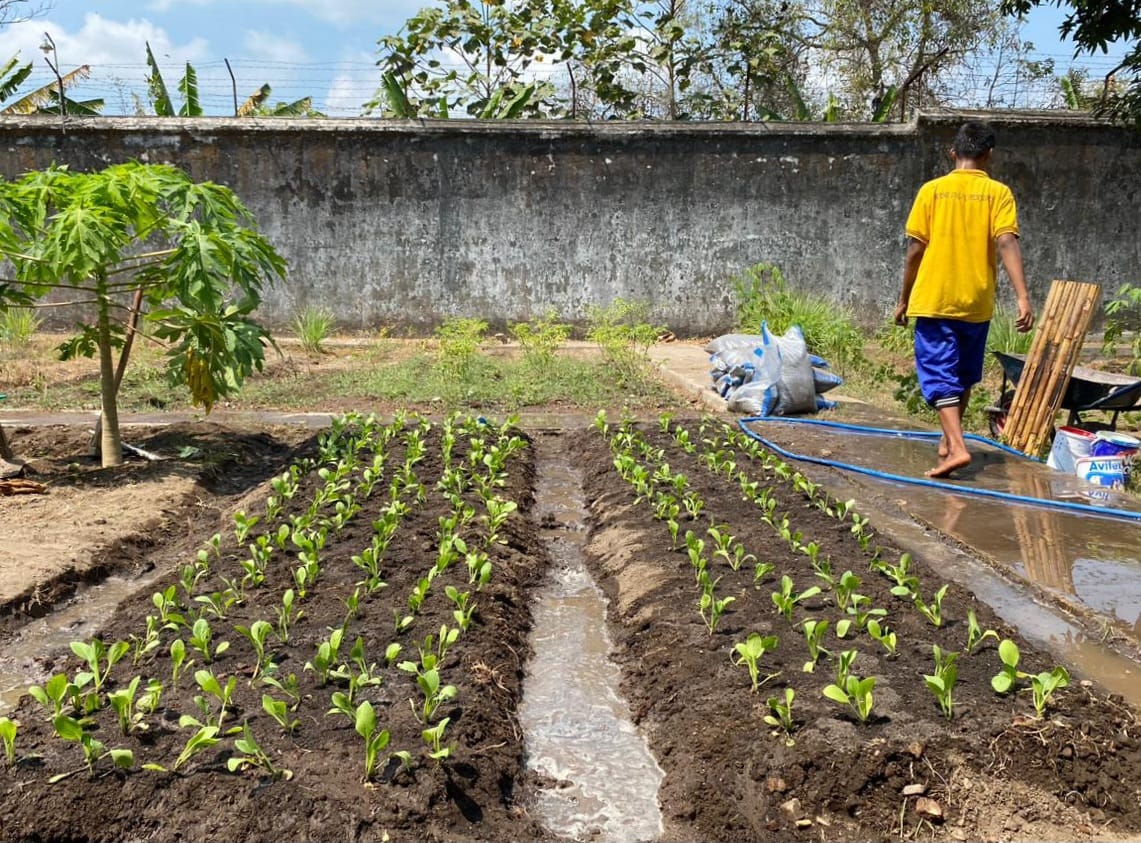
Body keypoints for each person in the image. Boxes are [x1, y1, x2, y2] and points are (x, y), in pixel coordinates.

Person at [894, 120, 1034, 478]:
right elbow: (1006, 242)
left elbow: (915, 250)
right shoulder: (998, 193)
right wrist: (1023, 297)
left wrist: (903, 298)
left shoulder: (932, 191)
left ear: (953, 152)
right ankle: (948, 442)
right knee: (964, 374)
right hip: (976, 301)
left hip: (935, 298)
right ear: (989, 155)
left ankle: (957, 447)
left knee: (938, 373)